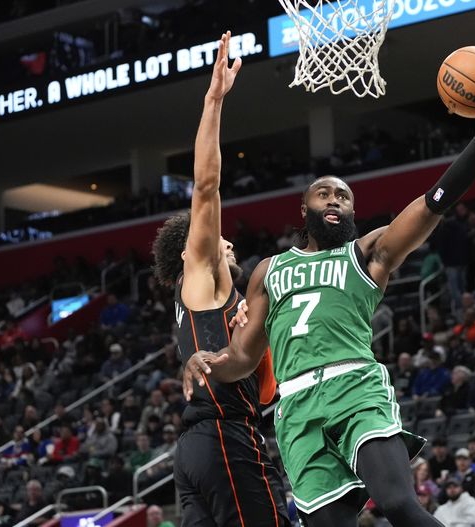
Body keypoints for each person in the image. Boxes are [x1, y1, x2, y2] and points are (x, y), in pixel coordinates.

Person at [184, 67, 475, 525]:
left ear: (354, 210)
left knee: (397, 503)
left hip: (353, 387)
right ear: (304, 208)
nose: (334, 200)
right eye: (323, 194)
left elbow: (435, 201)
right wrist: (207, 362)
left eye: (343, 196)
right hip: (295, 409)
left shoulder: (368, 253)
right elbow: (243, 356)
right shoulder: (268, 270)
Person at [151, 32, 288, 527]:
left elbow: (265, 391)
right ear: (191, 252)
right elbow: (206, 187)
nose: (227, 243)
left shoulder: (206, 303)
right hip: (224, 438)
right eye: (217, 239)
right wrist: (214, 101)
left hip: (196, 448)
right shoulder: (203, 276)